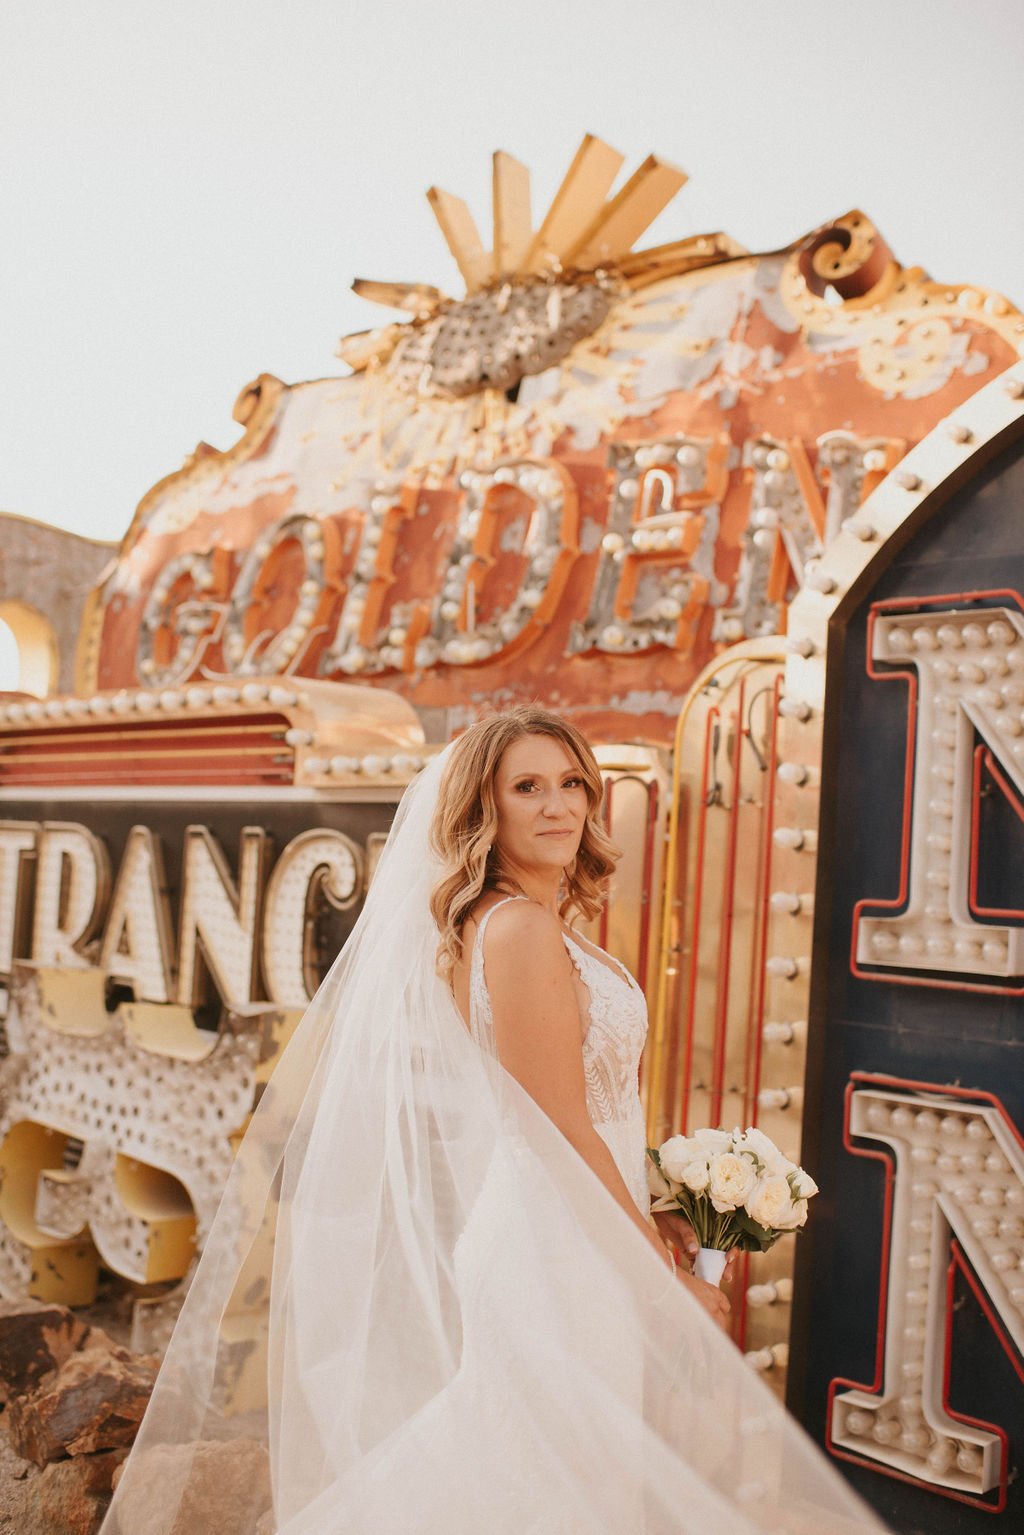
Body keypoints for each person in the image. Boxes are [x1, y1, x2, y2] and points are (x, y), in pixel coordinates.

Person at [102, 706, 886, 1535]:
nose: (559, 805)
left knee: (561, 1476)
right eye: (528, 787)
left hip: (574, 1229)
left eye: (572, 782)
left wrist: (654, 1210)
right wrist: (662, 1282)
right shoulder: (518, 929)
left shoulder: (525, 923)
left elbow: (577, 1115)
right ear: (487, 807)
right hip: (555, 1251)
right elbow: (561, 1127)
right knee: (540, 1478)